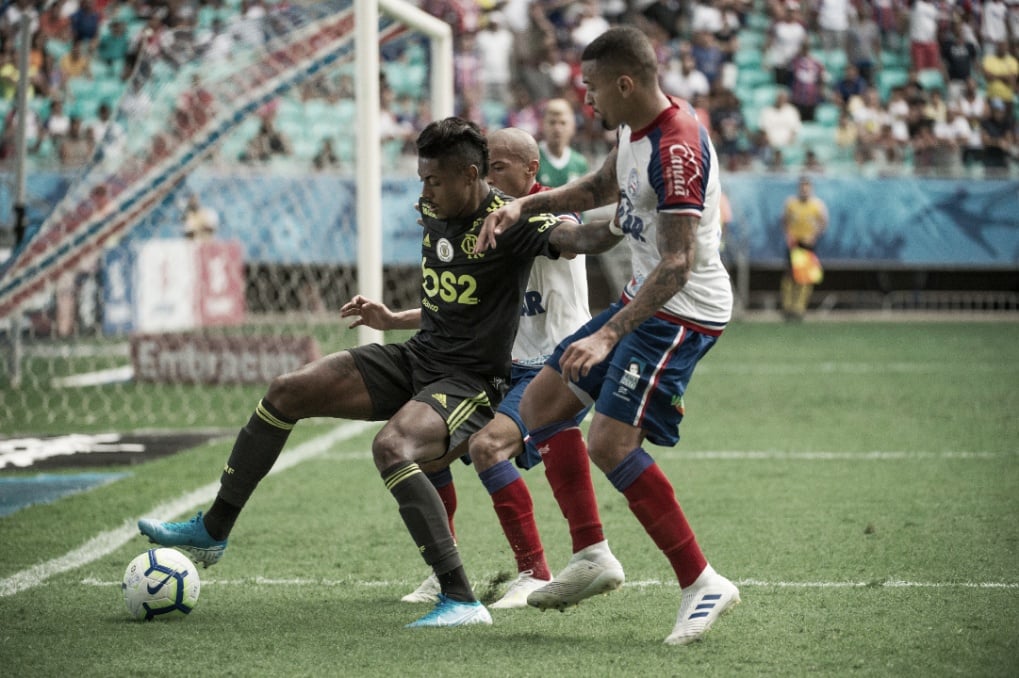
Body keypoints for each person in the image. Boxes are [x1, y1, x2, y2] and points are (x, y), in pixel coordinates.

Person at [138, 117, 577, 629]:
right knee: (287, 391)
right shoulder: (436, 208)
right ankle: (214, 527)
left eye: (434, 180)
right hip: (417, 357)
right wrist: (392, 319)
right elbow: (456, 297)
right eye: (421, 179)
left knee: (393, 448)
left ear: (470, 174)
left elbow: (580, 237)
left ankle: (461, 600)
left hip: (470, 381)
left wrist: (621, 221)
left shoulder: (510, 221)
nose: (425, 190)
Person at [475, 25, 740, 646]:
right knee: (541, 403)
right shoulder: (634, 128)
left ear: (626, 82)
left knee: (609, 443)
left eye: (591, 87)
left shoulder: (676, 148)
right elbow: (599, 190)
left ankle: (701, 581)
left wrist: (606, 336)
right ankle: (593, 554)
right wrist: (525, 207)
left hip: (682, 311)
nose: (586, 99)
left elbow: (677, 266)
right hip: (644, 296)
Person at [363, 127, 610, 610]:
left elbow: (574, 239)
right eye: (486, 166)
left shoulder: (543, 212)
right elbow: (469, 303)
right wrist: (397, 319)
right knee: (427, 453)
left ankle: (535, 571)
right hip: (503, 366)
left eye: (499, 168)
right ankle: (444, 569)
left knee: (488, 447)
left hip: (553, 365)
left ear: (529, 172)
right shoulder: (482, 217)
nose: (489, 178)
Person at [780, 176, 828, 320]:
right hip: (794, 244)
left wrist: (814, 236)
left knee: (805, 277)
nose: (804, 190)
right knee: (790, 276)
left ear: (811, 189)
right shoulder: (791, 204)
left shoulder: (817, 205)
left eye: (807, 187)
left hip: (807, 245)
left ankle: (799, 309)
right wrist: (788, 235)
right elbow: (784, 220)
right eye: (802, 187)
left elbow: (823, 222)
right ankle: (787, 307)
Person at [536, 98, 589, 188]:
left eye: (563, 123)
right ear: (542, 125)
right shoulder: (534, 159)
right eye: (552, 123)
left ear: (573, 127)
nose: (557, 129)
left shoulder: (580, 163)